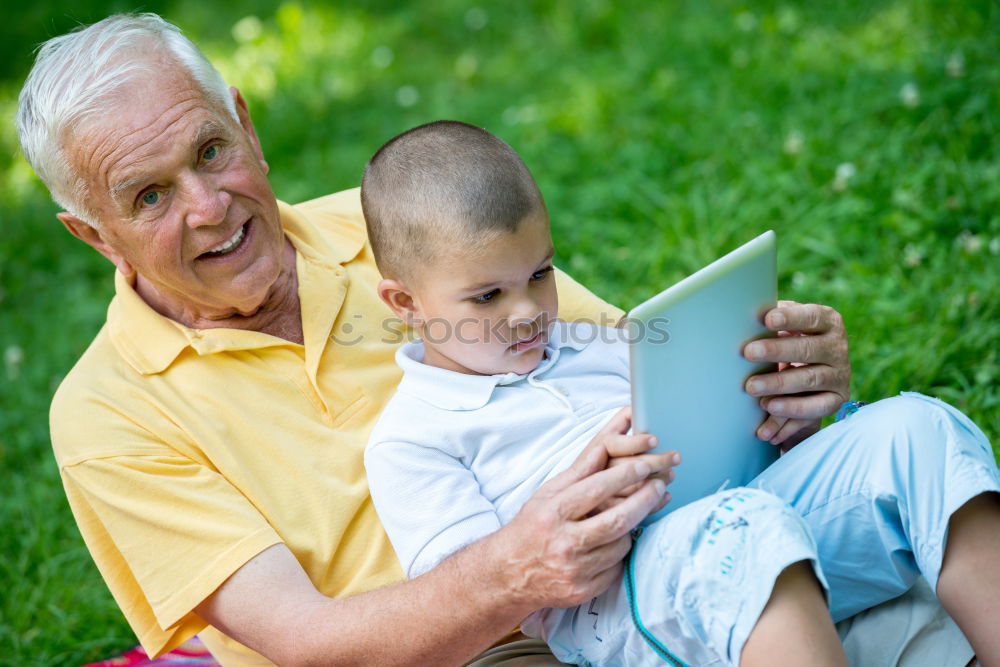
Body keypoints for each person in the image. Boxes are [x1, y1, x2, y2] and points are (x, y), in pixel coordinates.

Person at [14, 12, 992, 667]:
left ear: (245, 124)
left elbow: (633, 372)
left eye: (211, 152)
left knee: (910, 468)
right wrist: (518, 569)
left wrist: (770, 382)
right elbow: (305, 641)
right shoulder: (109, 414)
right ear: (93, 235)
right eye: (150, 196)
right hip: (477, 644)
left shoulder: (406, 215)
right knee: (795, 583)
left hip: (657, 547)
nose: (208, 206)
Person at [360, 121, 1000, 666]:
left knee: (920, 429)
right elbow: (473, 593)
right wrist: (577, 517)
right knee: (746, 532)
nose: (529, 309)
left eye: (540, 273)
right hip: (617, 601)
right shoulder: (412, 438)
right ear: (406, 303)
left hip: (739, 506)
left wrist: (772, 413)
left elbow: (729, 447)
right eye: (488, 295)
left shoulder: (604, 344)